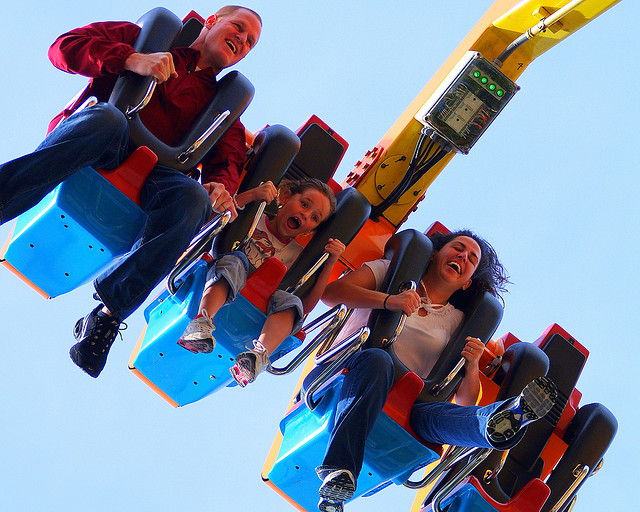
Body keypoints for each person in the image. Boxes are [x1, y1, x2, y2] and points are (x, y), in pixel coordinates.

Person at [0, 6, 263, 378]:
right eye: (239, 27)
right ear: (211, 21)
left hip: (155, 178)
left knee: (194, 199)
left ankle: (108, 316)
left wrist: (222, 185)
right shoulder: (148, 39)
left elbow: (229, 160)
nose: (243, 39)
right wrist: (130, 59)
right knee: (108, 118)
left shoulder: (222, 107)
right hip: (101, 141)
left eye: (250, 41)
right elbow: (63, 48)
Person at [310, 230, 558, 512]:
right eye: (458, 248)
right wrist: (390, 300)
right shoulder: (392, 272)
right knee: (379, 360)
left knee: (438, 415)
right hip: (349, 374)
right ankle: (339, 471)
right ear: (435, 254)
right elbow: (331, 294)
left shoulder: (457, 322)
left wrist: (473, 364)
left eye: (471, 259)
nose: (463, 256)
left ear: (467, 283)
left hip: (409, 409)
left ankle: (498, 420)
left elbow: (464, 400)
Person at [177, 178, 346, 387]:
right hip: (219, 278)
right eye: (304, 204)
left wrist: (329, 263)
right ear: (285, 197)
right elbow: (211, 222)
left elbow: (307, 305)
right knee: (235, 262)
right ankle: (201, 323)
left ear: (310, 230)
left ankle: (257, 358)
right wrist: (251, 196)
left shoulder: (298, 259)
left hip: (256, 313)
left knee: (292, 303)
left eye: (314, 217)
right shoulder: (253, 217)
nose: (305, 214)